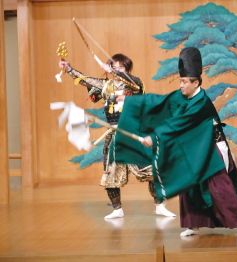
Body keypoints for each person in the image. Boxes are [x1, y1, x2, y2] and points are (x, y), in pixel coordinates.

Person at [112, 47, 237, 236]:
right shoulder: (182, 95)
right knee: (188, 184)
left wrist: (154, 138)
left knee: (218, 186)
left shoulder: (201, 102)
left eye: (185, 82)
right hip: (192, 147)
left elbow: (179, 124)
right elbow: (159, 102)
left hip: (210, 149)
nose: (181, 86)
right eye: (180, 81)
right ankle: (193, 224)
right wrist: (129, 101)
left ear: (196, 82)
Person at [58, 54, 175, 219]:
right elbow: (87, 80)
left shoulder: (133, 85)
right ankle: (117, 208)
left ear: (126, 69)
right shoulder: (105, 86)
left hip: (133, 133)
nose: (116, 70)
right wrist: (69, 69)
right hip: (113, 134)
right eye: (114, 67)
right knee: (110, 172)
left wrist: (116, 71)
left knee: (149, 170)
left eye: (120, 67)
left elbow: (137, 84)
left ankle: (159, 206)